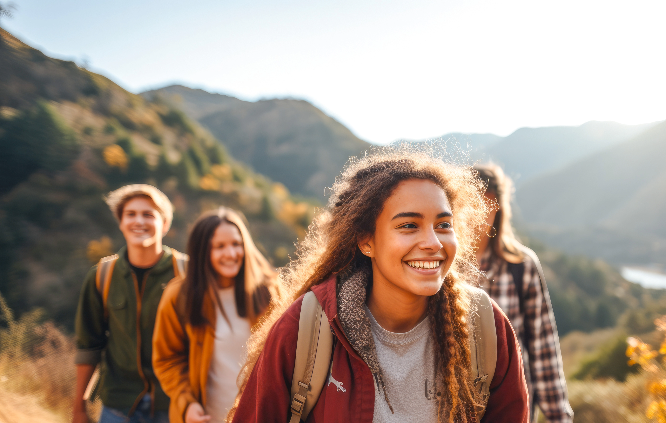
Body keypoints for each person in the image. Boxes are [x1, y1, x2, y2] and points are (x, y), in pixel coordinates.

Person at [230, 146, 529, 423]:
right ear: (366, 241)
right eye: (409, 225)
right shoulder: (306, 328)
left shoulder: (486, 327)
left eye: (443, 225)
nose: (433, 242)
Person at [152, 207, 283, 423]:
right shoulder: (179, 296)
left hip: (258, 416)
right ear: (202, 251)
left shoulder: (268, 291)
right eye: (219, 247)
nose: (231, 254)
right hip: (205, 418)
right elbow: (167, 359)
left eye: (236, 244)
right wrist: (187, 404)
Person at [73, 184, 185, 423]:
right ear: (121, 222)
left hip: (176, 403)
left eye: (148, 214)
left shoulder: (187, 273)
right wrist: (79, 408)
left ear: (164, 224)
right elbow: (88, 346)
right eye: (130, 214)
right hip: (118, 405)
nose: (139, 221)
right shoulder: (101, 276)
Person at [472, 164, 573, 423]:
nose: (479, 214)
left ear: (498, 208)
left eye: (487, 204)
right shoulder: (441, 267)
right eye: (470, 204)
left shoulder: (521, 266)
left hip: (512, 408)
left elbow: (543, 346)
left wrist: (558, 416)